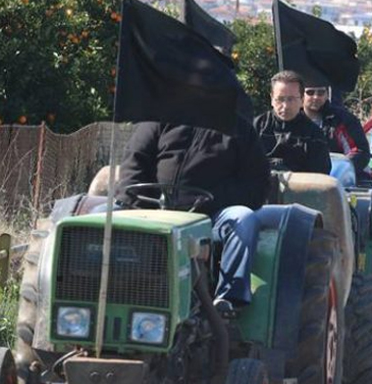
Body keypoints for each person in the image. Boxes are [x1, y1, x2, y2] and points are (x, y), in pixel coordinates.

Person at [115, 118, 271, 311]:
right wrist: (138, 205)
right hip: (151, 210)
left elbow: (257, 184)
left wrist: (212, 201)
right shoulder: (160, 118)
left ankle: (228, 298)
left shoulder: (240, 129)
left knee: (243, 218)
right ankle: (95, 292)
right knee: (98, 216)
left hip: (210, 217)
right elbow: (134, 161)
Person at [254, 70, 332, 174]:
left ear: (302, 100)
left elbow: (320, 176)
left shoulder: (313, 135)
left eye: (291, 99)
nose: (285, 106)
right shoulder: (256, 127)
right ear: (272, 99)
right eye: (280, 99)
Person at [302, 85, 371, 175]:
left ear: (327, 95)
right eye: (310, 92)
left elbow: (360, 152)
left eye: (321, 93)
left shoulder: (343, 119)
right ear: (301, 94)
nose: (316, 97)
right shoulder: (291, 120)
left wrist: (340, 167)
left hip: (341, 178)